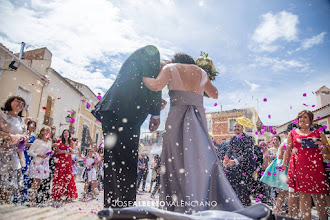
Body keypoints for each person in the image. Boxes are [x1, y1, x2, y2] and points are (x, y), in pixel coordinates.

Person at [143, 52, 244, 213]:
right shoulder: (202, 72)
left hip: (176, 119)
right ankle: (201, 201)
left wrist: (139, 77)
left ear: (176, 61)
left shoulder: (170, 67)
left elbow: (155, 85)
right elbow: (215, 94)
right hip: (197, 120)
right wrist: (200, 85)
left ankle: (176, 207)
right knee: (199, 160)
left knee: (174, 161)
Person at [92, 45, 162, 208]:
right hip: (121, 114)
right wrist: (156, 113)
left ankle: (115, 206)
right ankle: (122, 208)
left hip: (117, 113)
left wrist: (153, 106)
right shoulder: (152, 52)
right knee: (125, 161)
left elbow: (143, 87)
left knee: (116, 162)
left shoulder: (139, 70)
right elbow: (155, 84)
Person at [281, 110, 329, 220]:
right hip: (299, 168)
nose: (302, 119)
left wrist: (321, 146)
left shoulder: (319, 133)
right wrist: (284, 164)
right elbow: (287, 151)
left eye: (305, 117)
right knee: (304, 196)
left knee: (319, 197)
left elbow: (327, 152)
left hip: (316, 168)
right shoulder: (292, 133)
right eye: (300, 117)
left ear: (311, 120)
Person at [0, 96, 28, 203]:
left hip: (13, 156)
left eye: (22, 103)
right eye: (18, 101)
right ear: (10, 102)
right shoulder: (2, 116)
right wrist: (10, 137)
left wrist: (24, 139)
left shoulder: (21, 121)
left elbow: (22, 137)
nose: (20, 104)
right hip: (1, 152)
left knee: (8, 189)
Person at [223, 121, 255, 207]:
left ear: (242, 128)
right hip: (236, 169)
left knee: (245, 189)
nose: (236, 128)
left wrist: (235, 161)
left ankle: (246, 207)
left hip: (246, 168)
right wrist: (226, 158)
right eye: (235, 126)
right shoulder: (233, 139)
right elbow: (229, 150)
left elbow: (247, 153)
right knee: (237, 189)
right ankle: (238, 206)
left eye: (238, 126)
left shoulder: (248, 138)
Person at [260, 135, 289, 216]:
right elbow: (269, 161)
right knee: (277, 190)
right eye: (274, 140)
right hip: (275, 171)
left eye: (276, 139)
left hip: (284, 169)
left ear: (279, 140)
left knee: (285, 189)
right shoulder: (271, 150)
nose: (275, 141)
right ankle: (277, 207)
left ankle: (283, 207)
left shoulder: (283, 146)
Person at [27, 127, 52, 206]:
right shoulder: (37, 141)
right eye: (46, 130)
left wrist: (50, 153)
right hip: (37, 162)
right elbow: (30, 152)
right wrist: (38, 155)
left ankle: (33, 197)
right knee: (35, 181)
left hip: (44, 163)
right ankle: (31, 198)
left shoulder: (49, 142)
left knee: (39, 182)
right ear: (42, 132)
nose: (48, 131)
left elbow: (48, 151)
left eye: (49, 130)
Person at [51, 129, 78, 203]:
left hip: (68, 161)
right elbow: (56, 150)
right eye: (64, 133)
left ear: (69, 135)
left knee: (68, 176)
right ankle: (58, 194)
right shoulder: (59, 141)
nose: (66, 134)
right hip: (60, 160)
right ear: (63, 135)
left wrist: (70, 150)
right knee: (59, 176)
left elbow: (73, 152)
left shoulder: (71, 142)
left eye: (67, 133)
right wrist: (64, 151)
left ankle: (68, 194)